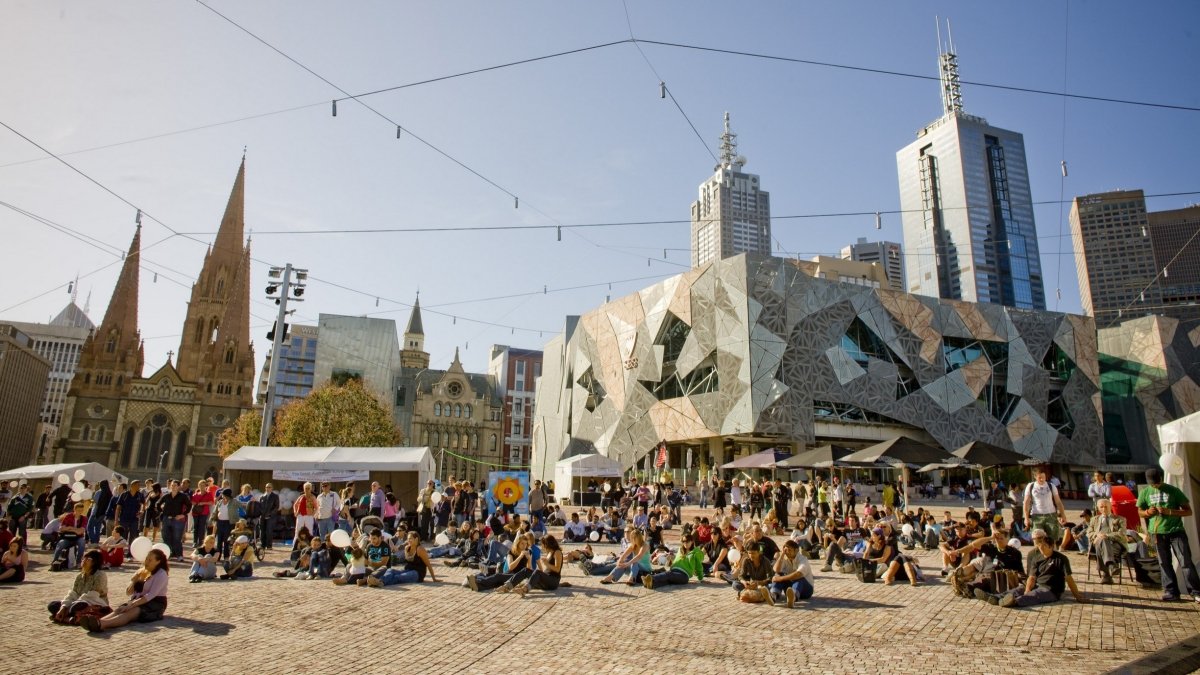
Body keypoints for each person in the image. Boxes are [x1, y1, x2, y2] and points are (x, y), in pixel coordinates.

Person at [1138, 467, 1200, 603]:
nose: (1155, 485)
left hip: (1176, 530)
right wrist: (1148, 512)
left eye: (1157, 483)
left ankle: (1196, 591)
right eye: (1153, 484)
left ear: (1160, 479)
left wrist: (1170, 512)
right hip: (1157, 532)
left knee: (1185, 561)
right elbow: (1140, 511)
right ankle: (1171, 592)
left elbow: (1188, 511)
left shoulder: (1173, 490)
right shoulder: (1145, 492)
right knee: (1164, 562)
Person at [79, 548, 170, 632]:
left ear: (158, 561)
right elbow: (128, 592)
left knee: (131, 612)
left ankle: (102, 624)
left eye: (150, 560)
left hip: (155, 603)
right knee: (120, 610)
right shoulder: (143, 571)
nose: (147, 562)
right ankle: (97, 621)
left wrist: (132, 605)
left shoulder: (161, 574)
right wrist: (135, 580)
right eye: (146, 559)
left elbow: (151, 595)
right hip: (139, 599)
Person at [998, 529, 1086, 608]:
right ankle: (998, 597)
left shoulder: (1061, 559)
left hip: (1051, 590)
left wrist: (1077, 595)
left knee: (1035, 595)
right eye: (1040, 546)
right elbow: (1031, 577)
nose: (1041, 548)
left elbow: (1069, 578)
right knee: (1019, 589)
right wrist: (1027, 589)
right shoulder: (1036, 558)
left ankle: (1013, 602)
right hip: (1037, 585)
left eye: (1044, 546)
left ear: (1051, 546)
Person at [49, 549, 109, 625]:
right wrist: (63, 607)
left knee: (78, 605)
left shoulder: (100, 575)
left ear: (94, 562)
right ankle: (68, 617)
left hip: (95, 602)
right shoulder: (80, 576)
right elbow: (73, 593)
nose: (84, 561)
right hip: (77, 601)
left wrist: (70, 606)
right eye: (84, 558)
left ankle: (66, 617)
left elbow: (92, 596)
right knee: (53, 605)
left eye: (88, 559)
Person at [1087, 498, 1127, 585]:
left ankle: (1106, 576)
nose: (1104, 509)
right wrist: (1098, 535)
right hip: (1098, 543)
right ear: (1098, 508)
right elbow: (1089, 533)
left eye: (1106, 506)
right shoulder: (1094, 519)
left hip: (1115, 545)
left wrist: (1107, 535)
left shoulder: (1120, 519)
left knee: (1103, 542)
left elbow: (1121, 533)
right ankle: (1112, 566)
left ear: (1110, 506)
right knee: (1102, 541)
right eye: (1101, 507)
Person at [1022, 469, 1066, 547]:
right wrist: (1026, 517)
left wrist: (1063, 515)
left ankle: (1052, 554)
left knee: (1052, 538)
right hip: (1036, 515)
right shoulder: (1031, 486)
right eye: (1040, 478)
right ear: (1035, 477)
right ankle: (1038, 555)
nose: (1042, 479)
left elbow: (1058, 501)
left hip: (1051, 515)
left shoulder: (1051, 486)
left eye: (1043, 477)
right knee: (1037, 538)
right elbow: (1026, 503)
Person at [770, 539, 814, 607]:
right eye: (786, 550)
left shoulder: (803, 559)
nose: (787, 552)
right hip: (790, 588)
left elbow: (798, 574)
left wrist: (780, 579)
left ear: (796, 550)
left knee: (798, 577)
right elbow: (776, 570)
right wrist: (782, 555)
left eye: (789, 550)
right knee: (779, 574)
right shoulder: (784, 558)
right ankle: (773, 595)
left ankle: (793, 598)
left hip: (806, 590)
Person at [158, 480, 191, 560]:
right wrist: (163, 511)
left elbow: (189, 506)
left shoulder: (183, 496)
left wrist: (182, 515)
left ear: (179, 486)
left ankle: (179, 555)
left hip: (177, 520)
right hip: (167, 519)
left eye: (175, 485)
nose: (173, 487)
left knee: (177, 538)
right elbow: (158, 504)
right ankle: (168, 553)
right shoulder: (166, 496)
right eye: (172, 485)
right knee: (166, 537)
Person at [258, 483, 280, 549]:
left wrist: (270, 514)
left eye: (269, 487)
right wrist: (261, 514)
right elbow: (259, 507)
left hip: (271, 517)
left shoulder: (275, 496)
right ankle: (262, 545)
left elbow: (276, 507)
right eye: (266, 487)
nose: (268, 488)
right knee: (262, 531)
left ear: (272, 488)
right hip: (262, 517)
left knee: (269, 531)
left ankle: (269, 545)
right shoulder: (262, 497)